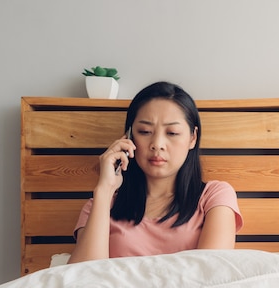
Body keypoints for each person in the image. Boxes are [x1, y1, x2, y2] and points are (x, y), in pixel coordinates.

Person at [67, 81, 243, 264]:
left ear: (193, 138)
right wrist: (104, 190)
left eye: (172, 133)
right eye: (145, 131)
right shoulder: (100, 205)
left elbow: (212, 274)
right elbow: (82, 280)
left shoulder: (214, 197)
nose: (157, 143)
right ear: (128, 137)